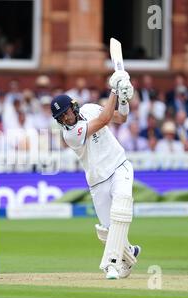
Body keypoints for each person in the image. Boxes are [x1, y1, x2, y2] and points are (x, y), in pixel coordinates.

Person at [50, 70, 140, 280]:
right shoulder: (70, 135)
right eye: (60, 116)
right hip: (97, 182)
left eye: (66, 112)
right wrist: (114, 90)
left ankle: (109, 264)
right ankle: (130, 254)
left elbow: (121, 117)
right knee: (107, 231)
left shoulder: (90, 108)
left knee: (122, 205)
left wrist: (124, 99)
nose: (65, 117)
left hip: (119, 167)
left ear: (73, 107)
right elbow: (104, 119)